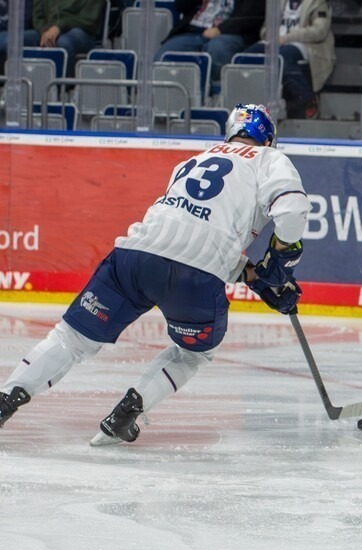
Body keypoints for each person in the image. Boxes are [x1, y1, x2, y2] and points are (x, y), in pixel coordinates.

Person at [0, 105, 311, 445]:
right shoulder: (269, 159)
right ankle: (129, 412)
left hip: (133, 257)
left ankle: (6, 398)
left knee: (70, 339)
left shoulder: (192, 161)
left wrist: (255, 278)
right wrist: (281, 260)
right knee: (194, 353)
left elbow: (187, 233)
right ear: (268, 138)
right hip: (194, 278)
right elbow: (291, 211)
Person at [241, 0, 335, 120]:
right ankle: (250, 104)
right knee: (246, 57)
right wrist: (271, 36)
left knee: (284, 56)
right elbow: (265, 28)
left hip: (306, 45)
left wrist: (287, 38)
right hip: (275, 43)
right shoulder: (279, 3)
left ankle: (306, 99)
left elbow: (319, 31)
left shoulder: (318, 2)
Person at [156, 0, 266, 94]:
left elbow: (251, 15)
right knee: (165, 55)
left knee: (218, 48)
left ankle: (217, 97)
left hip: (232, 32)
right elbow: (180, 6)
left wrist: (220, 30)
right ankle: (165, 107)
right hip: (194, 30)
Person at [0, 0, 101, 68]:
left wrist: (58, 27)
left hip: (81, 32)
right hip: (46, 31)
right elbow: (37, 15)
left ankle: (62, 90)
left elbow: (89, 20)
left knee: (63, 43)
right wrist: (44, 30)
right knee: (6, 40)